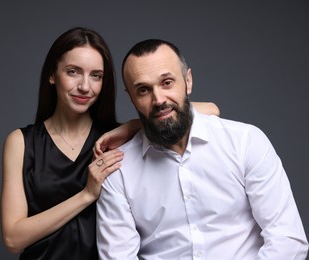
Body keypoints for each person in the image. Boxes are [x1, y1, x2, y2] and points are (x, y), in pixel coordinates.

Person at [1, 27, 220, 259]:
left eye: (96, 75)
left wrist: (132, 126)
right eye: (73, 72)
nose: (85, 86)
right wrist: (86, 195)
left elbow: (211, 110)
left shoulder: (117, 139)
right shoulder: (21, 142)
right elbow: (13, 238)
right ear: (52, 74)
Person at [96, 39, 308, 259]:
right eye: (143, 90)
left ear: (188, 81)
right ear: (131, 97)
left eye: (167, 82)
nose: (158, 100)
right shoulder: (119, 171)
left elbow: (287, 240)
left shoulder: (245, 142)